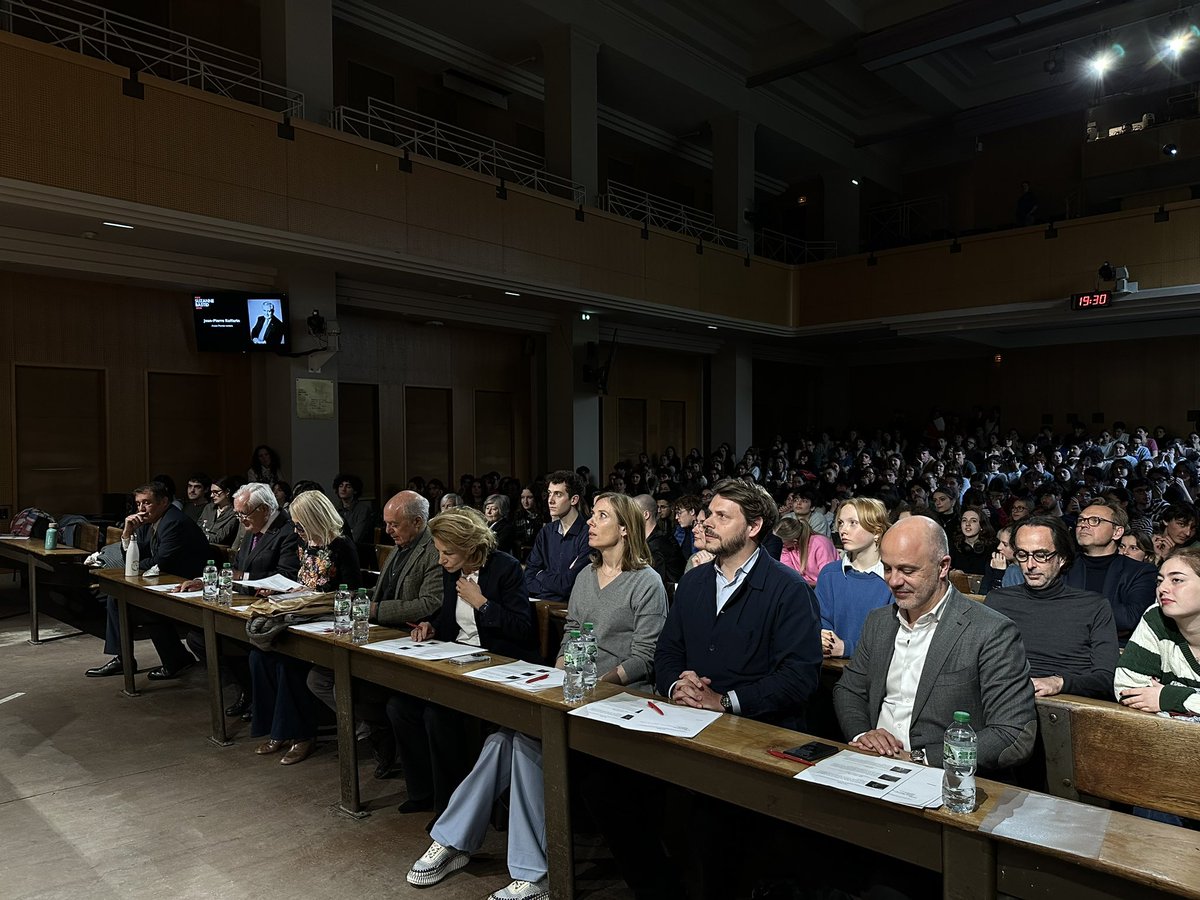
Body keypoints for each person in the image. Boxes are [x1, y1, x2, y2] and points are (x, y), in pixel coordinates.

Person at [405, 493, 667, 899]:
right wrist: (560, 672)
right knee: (505, 736)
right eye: (593, 515)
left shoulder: (647, 582)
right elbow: (570, 636)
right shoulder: (585, 577)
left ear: (626, 529)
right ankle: (478, 851)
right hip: (573, 688)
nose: (591, 523)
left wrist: (594, 685)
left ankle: (502, 860)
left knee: (522, 740)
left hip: (621, 697)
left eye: (601, 516)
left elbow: (645, 658)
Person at [833, 516, 1037, 771]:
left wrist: (921, 758)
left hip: (942, 776)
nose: (894, 581)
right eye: (887, 568)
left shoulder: (992, 631)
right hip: (871, 763)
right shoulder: (879, 622)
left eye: (907, 570)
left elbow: (1013, 735)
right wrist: (863, 734)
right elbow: (849, 690)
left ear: (943, 567)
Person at [389, 507, 537, 816]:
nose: (440, 560)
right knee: (399, 708)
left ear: (469, 547)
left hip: (498, 663)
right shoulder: (450, 570)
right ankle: (423, 792)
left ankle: (452, 809)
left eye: (447, 553)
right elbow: (450, 620)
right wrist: (431, 626)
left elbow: (521, 628)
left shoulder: (505, 569)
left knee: (437, 717)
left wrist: (481, 602)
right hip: (457, 661)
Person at [655, 478, 821, 730]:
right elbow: (667, 651)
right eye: (710, 513)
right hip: (687, 719)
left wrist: (725, 701)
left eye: (722, 516)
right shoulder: (692, 582)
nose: (707, 523)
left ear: (753, 526)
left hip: (759, 729)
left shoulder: (790, 589)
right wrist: (678, 685)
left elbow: (798, 677)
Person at [307, 490, 443, 778]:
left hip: (404, 637)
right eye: (386, 523)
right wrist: (353, 598)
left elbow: (430, 602)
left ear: (418, 522)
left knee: (347, 688)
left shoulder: (432, 550)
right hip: (378, 631)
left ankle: (383, 736)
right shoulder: (400, 546)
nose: (388, 530)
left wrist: (374, 609)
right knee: (317, 678)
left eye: (394, 524)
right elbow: (382, 590)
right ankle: (376, 731)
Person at [248, 489, 361, 766]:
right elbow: (305, 581)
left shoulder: (341, 545)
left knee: (289, 664)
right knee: (259, 657)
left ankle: (301, 735)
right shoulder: (307, 543)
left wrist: (312, 597)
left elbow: (353, 591)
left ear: (314, 517)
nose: (297, 530)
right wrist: (288, 593)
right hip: (302, 613)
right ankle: (276, 730)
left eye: (300, 523)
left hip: (329, 618)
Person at [86, 481, 210, 679]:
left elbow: (160, 562)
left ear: (164, 502)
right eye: (138, 504)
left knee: (139, 607)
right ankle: (125, 659)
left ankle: (174, 659)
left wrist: (137, 564)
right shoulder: (146, 522)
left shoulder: (173, 522)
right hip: (164, 581)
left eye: (147, 503)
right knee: (116, 598)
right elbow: (133, 562)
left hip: (189, 584)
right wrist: (127, 533)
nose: (141, 509)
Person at [985, 516, 1118, 699]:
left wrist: (1059, 683)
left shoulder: (1093, 607)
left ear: (1062, 558)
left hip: (1068, 707)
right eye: (1023, 555)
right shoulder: (998, 601)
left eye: (1041, 555)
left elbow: (1107, 679)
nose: (1030, 565)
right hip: (1003, 699)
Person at [1115, 547, 1200, 828]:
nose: (1163, 587)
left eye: (1177, 580)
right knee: (1156, 780)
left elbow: (1158, 697)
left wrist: (1168, 695)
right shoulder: (1157, 618)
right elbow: (1126, 685)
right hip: (1173, 755)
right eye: (1160, 580)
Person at [1063, 500, 1158, 640]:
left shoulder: (1140, 572)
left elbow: (1130, 619)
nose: (1083, 524)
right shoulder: (1063, 566)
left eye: (1095, 520)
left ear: (1117, 532)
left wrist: (1073, 609)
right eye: (1081, 520)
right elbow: (1048, 610)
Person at [814, 497, 892, 658]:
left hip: (877, 672)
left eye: (853, 523)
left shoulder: (893, 578)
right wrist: (823, 640)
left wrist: (847, 648)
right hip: (828, 668)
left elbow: (892, 637)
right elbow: (819, 620)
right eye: (841, 523)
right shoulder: (830, 574)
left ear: (877, 531)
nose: (843, 530)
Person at [522, 470, 590, 601]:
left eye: (558, 494)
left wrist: (541, 575)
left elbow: (569, 585)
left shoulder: (588, 533)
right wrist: (552, 588)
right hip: (541, 603)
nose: (550, 500)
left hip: (569, 608)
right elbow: (528, 576)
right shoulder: (546, 532)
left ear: (574, 499)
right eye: (549, 494)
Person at [633, 493, 684, 585]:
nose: (628, 517)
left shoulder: (660, 544)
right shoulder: (652, 540)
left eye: (632, 512)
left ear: (645, 515)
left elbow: (655, 584)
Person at [774, 515, 837, 588]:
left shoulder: (820, 544)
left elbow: (828, 579)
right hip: (804, 588)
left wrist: (803, 583)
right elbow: (789, 575)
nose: (779, 545)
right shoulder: (786, 548)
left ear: (795, 542)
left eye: (782, 542)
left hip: (826, 588)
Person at [333, 472, 376, 549]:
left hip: (359, 550)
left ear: (355, 490)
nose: (343, 489)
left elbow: (356, 537)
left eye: (348, 486)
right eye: (341, 486)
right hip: (341, 548)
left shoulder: (363, 510)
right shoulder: (335, 509)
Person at [951, 505, 997, 576]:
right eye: (964, 520)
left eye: (973, 521)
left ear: (981, 526)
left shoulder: (992, 548)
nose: (967, 524)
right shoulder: (953, 547)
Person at [198, 475, 242, 546]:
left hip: (219, 551)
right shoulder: (208, 507)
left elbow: (220, 538)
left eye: (216, 492)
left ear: (227, 492)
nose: (212, 495)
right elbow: (197, 528)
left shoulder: (235, 512)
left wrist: (200, 537)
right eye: (211, 492)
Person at [483, 493, 522, 557]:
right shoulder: (484, 525)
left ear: (502, 511)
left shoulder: (507, 528)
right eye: (487, 508)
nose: (489, 512)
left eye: (493, 509)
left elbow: (497, 548)